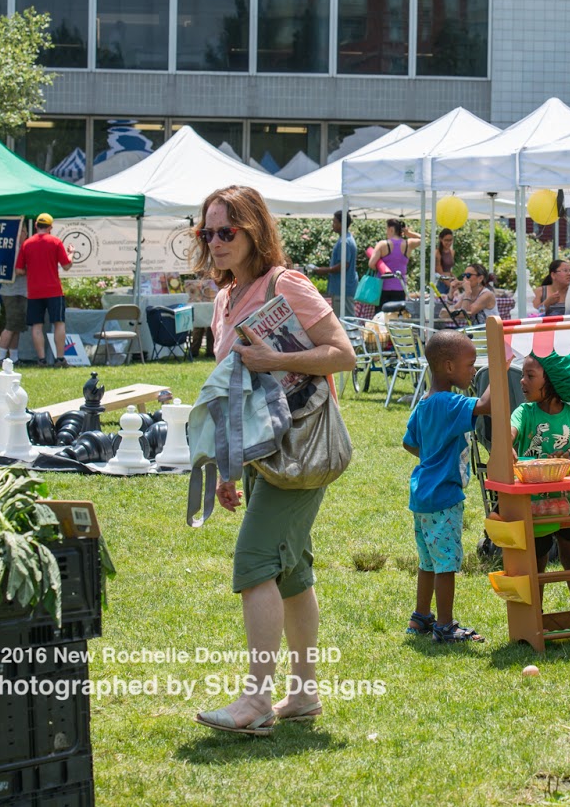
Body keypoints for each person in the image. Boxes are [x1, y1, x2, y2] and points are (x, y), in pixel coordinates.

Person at [193, 184, 357, 737]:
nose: (214, 241)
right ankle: (304, 695)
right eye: (206, 232)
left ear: (253, 230)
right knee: (291, 572)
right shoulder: (224, 299)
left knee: (255, 562)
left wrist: (275, 357)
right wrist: (226, 465)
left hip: (303, 447)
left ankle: (256, 701)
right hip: (265, 454)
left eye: (225, 231)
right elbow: (233, 391)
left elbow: (344, 354)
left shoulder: (286, 284)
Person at [402, 330, 493, 643]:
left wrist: (433, 454)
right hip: (444, 497)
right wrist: (501, 365)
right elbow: (485, 404)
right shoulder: (449, 402)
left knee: (428, 561)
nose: (474, 370)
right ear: (449, 367)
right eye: (471, 364)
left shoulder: (425, 403)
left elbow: (409, 442)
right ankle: (445, 626)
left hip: (422, 495)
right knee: (446, 565)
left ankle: (420, 618)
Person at [512, 351, 570, 609]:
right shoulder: (524, 413)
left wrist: (569, 460)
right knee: (538, 561)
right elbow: (509, 433)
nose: (522, 381)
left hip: (568, 503)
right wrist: (506, 442)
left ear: (553, 381)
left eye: (530, 375)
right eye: (523, 375)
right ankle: (537, 612)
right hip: (534, 506)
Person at [19, 213, 72, 367]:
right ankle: (60, 358)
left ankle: (41, 359)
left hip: (34, 291)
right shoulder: (55, 242)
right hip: (54, 290)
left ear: (36, 226)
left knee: (37, 325)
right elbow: (67, 266)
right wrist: (71, 253)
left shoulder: (27, 244)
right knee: (59, 323)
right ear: (50, 227)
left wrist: (32, 271)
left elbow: (19, 270)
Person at [307, 212, 359, 309]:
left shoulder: (345, 242)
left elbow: (344, 265)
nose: (332, 224)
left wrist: (323, 270)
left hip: (343, 289)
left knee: (344, 321)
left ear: (342, 224)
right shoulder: (344, 239)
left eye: (334, 222)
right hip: (342, 288)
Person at [369, 218, 419, 307]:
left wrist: (381, 268)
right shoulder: (408, 244)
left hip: (383, 287)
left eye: (386, 229)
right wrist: (408, 233)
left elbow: (371, 264)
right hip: (400, 288)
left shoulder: (382, 244)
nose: (386, 232)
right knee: (397, 317)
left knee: (381, 317)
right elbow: (422, 238)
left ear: (391, 229)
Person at [0, 249, 29, 363]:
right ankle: (1, 357)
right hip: (11, 292)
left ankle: (14, 357)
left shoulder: (24, 249)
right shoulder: (10, 250)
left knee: (17, 327)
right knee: (11, 325)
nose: (25, 234)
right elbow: (18, 270)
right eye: (22, 232)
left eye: (26, 231)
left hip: (22, 291)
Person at [433, 227, 456, 293]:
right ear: (441, 239)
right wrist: (451, 286)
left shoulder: (452, 252)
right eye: (446, 240)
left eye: (450, 240)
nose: (448, 243)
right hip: (440, 283)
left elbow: (449, 271)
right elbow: (440, 273)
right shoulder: (437, 253)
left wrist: (456, 281)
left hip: (449, 281)